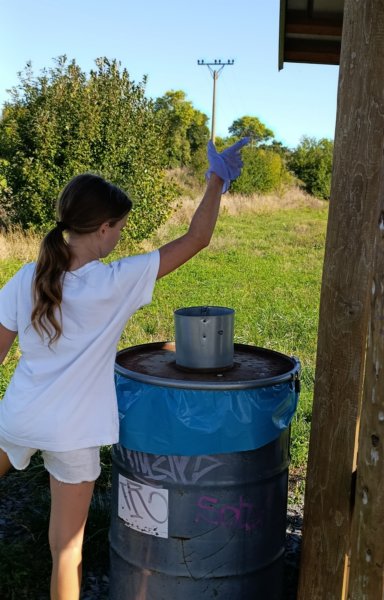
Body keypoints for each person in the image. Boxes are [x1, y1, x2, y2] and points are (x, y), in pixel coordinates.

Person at [0, 137, 249, 599]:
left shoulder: (24, 278)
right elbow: (197, 239)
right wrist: (216, 180)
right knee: (66, 553)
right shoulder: (116, 282)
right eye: (119, 228)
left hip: (17, 418)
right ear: (103, 228)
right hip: (73, 435)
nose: (120, 237)